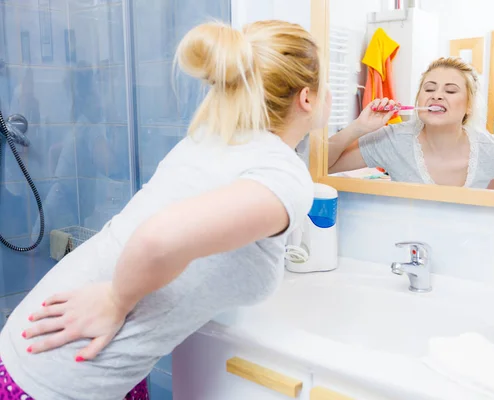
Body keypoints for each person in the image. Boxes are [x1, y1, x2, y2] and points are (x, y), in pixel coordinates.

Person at [0, 19, 330, 400]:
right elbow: (157, 238)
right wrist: (115, 300)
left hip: (44, 343)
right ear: (307, 98)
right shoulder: (281, 174)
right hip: (63, 374)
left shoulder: (213, 139)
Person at [328, 57, 494, 189]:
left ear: (468, 106)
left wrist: (485, 189)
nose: (437, 95)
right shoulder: (393, 139)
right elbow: (321, 164)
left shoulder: (487, 148)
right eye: (429, 89)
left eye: (450, 90)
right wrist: (359, 127)